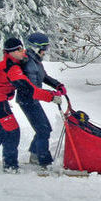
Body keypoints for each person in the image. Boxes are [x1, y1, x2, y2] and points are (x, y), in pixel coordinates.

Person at [0, 37, 62, 173]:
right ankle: (9, 165)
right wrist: (51, 96)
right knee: (11, 132)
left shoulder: (3, 60)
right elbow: (29, 89)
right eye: (20, 49)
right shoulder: (12, 68)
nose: (23, 51)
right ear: (13, 51)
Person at [17, 32, 66, 168]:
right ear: (35, 47)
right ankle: (42, 159)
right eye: (44, 47)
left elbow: (44, 76)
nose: (46, 51)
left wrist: (57, 85)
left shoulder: (36, 61)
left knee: (45, 129)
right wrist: (51, 96)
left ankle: (34, 154)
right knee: (43, 130)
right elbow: (31, 88)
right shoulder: (28, 62)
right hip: (27, 100)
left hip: (33, 99)